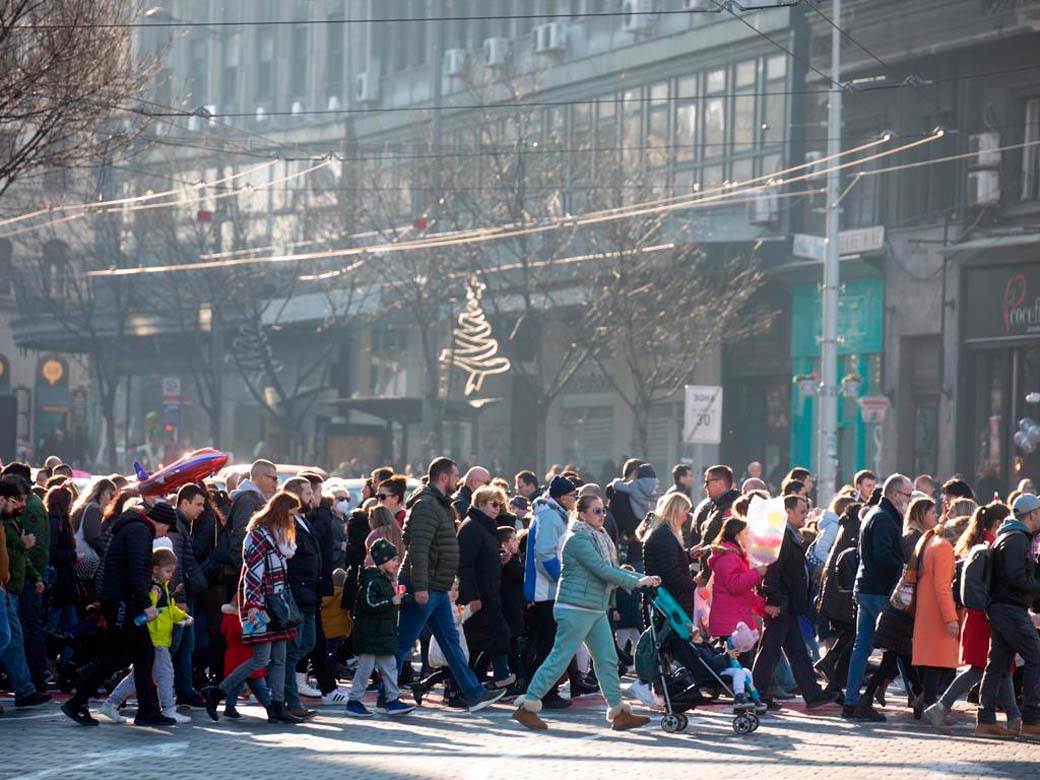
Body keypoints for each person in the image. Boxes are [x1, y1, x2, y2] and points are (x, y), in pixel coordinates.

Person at [512, 494, 660, 731]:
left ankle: (619, 712)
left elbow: (611, 569)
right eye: (596, 511)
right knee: (559, 659)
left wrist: (641, 579)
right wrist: (639, 581)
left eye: (603, 510)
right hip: (575, 608)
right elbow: (602, 571)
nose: (602, 515)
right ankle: (527, 706)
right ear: (581, 514)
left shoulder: (598, 537)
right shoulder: (577, 539)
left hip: (593, 607)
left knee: (607, 660)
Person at [395, 457, 504, 712]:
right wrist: (419, 587)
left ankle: (473, 692)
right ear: (444, 477)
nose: (459, 481)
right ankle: (386, 694)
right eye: (456, 476)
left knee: (451, 641)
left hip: (437, 585)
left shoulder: (439, 504)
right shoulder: (426, 505)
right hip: (425, 585)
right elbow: (418, 549)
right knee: (403, 642)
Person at [62, 499, 179, 726]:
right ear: (161, 522)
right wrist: (146, 602)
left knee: (144, 653)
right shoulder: (141, 531)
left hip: (124, 601)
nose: (164, 534)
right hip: (123, 602)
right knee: (115, 656)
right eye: (166, 528)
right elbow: (135, 570)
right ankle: (77, 702)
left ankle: (146, 710)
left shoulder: (135, 528)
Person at [202, 491, 302, 725]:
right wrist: (254, 605)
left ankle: (276, 707)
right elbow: (252, 575)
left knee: (278, 657)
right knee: (260, 658)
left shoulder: (277, 537)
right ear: (280, 512)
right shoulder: (258, 536)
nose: (293, 520)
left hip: (277, 604)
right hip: (261, 605)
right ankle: (217, 691)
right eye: (291, 514)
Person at [925, 502, 1019, 732]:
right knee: (984, 668)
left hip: (979, 616)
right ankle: (941, 707)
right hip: (986, 618)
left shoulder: (981, 545)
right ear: (998, 524)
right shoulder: (993, 547)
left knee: (999, 666)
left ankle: (1015, 718)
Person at [751, 493, 837, 711]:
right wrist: (772, 600)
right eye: (801, 512)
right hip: (780, 603)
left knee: (796, 650)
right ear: (787, 512)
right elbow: (771, 571)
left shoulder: (788, 533)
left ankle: (812, 693)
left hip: (788, 604)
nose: (805, 516)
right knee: (770, 650)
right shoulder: (780, 535)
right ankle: (756, 694)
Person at [842, 473, 912, 720]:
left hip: (866, 587)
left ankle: (852, 700)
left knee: (864, 647)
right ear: (894, 494)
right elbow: (883, 556)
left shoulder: (877, 514)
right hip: (878, 590)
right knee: (898, 643)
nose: (909, 499)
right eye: (907, 494)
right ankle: (912, 695)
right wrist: (903, 567)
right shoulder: (884, 518)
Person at [101, 547, 192, 724]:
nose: (170, 575)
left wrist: (184, 617)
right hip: (156, 639)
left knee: (138, 677)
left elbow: (169, 609)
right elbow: (149, 610)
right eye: (168, 571)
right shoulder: (156, 589)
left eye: (172, 572)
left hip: (156, 638)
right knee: (166, 674)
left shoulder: (162, 588)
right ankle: (168, 709)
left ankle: (111, 703)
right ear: (155, 569)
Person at [975, 493, 1040, 738]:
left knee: (998, 663)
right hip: (1010, 607)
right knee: (1036, 655)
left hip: (1000, 607)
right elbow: (1016, 577)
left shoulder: (1009, 534)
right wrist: (1036, 585)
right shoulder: (1017, 539)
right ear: (1032, 514)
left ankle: (986, 719)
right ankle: (1032, 718)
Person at [524, 474, 583, 709]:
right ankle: (544, 693)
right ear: (561, 497)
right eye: (572, 495)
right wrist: (563, 579)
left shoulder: (552, 513)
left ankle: (539, 689)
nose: (575, 499)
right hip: (545, 591)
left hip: (546, 591)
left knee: (546, 643)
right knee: (547, 645)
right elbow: (546, 554)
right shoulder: (550, 516)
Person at [345, 538, 415, 717]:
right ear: (382, 561)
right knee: (365, 669)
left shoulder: (385, 580)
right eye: (393, 560)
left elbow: (387, 604)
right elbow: (368, 604)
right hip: (370, 634)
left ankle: (392, 700)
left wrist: (404, 599)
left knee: (390, 666)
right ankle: (354, 700)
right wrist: (391, 601)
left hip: (383, 635)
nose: (396, 563)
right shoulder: (371, 581)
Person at [0, 475, 51, 709]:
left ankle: (24, 688)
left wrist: (35, 576)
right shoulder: (7, 521)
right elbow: (13, 550)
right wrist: (23, 545)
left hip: (10, 586)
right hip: (6, 587)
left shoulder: (10, 521)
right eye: (16, 500)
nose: (21, 505)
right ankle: (24, 688)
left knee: (11, 638)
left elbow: (16, 554)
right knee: (8, 638)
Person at [458, 485, 514, 689]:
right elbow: (466, 564)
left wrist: (501, 560)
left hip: (488, 592)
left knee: (488, 638)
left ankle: (488, 678)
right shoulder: (472, 527)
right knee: (483, 639)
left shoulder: (484, 526)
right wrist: (473, 597)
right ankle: (496, 677)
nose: (497, 508)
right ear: (480, 504)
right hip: (479, 595)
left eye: (500, 504)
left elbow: (484, 560)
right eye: (493, 504)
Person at [282, 477, 323, 718]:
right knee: (294, 648)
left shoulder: (302, 520)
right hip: (297, 593)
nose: (312, 497)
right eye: (307, 493)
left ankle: (287, 693)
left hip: (308, 593)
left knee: (308, 642)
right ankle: (290, 699)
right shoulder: (289, 523)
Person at [912, 515, 961, 710]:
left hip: (928, 608)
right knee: (938, 662)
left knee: (935, 661)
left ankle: (925, 701)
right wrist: (951, 617)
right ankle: (930, 704)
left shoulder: (932, 541)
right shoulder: (944, 547)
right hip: (939, 611)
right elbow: (943, 586)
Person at [814, 502, 863, 696]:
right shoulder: (855, 529)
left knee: (852, 636)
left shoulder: (847, 526)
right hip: (842, 594)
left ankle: (831, 671)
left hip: (836, 593)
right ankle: (831, 671)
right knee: (854, 635)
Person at [168, 485, 207, 708]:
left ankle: (184, 689)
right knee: (176, 645)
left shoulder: (182, 525)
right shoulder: (176, 526)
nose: (201, 509)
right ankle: (176, 688)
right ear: (184, 503)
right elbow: (174, 565)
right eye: (198, 504)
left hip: (184, 597)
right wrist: (180, 597)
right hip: (179, 599)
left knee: (185, 645)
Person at [707, 516, 768, 653]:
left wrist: (764, 608)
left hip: (735, 621)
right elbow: (734, 585)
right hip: (731, 624)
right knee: (736, 669)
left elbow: (745, 593)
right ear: (736, 535)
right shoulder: (728, 556)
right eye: (746, 533)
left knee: (738, 667)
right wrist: (757, 573)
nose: (749, 537)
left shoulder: (734, 555)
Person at [640, 492, 697, 619]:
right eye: (685, 513)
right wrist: (694, 585)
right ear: (676, 511)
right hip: (668, 603)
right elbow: (670, 574)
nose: (686, 518)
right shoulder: (664, 535)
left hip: (666, 599)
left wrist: (689, 555)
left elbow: (668, 561)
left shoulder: (663, 533)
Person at [220, 590, 272, 719]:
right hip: (247, 656)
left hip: (233, 656)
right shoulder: (245, 618)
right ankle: (271, 707)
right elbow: (248, 633)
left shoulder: (227, 617)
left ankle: (229, 707)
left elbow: (224, 632)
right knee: (260, 687)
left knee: (234, 686)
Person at [228, 459, 279, 575]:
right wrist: (246, 573)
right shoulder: (248, 500)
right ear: (261, 477)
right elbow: (240, 537)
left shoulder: (255, 499)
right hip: (243, 572)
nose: (276, 483)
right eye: (274, 478)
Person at [45, 484, 79, 635]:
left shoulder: (60, 520)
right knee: (58, 620)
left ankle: (67, 655)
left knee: (68, 620)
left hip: (64, 578)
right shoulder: (55, 522)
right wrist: (73, 555)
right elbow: (51, 552)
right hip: (59, 578)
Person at [607, 462, 657, 563]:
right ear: (635, 473)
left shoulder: (621, 493)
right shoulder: (653, 491)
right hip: (643, 547)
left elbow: (617, 524)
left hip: (627, 548)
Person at [498, 526, 526, 685]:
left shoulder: (513, 559)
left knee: (513, 646)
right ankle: (519, 679)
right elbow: (523, 574)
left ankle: (518, 678)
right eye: (514, 539)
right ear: (504, 543)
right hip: (509, 610)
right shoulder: (509, 562)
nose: (517, 542)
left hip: (513, 609)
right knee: (511, 647)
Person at [693, 465, 740, 550]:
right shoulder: (715, 506)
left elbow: (728, 543)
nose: (705, 486)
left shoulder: (733, 509)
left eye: (707, 482)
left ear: (720, 483)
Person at [70, 476, 116, 556]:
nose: (112, 500)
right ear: (103, 493)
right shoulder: (94, 509)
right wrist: (103, 551)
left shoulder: (85, 505)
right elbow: (93, 537)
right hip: (84, 556)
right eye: (111, 495)